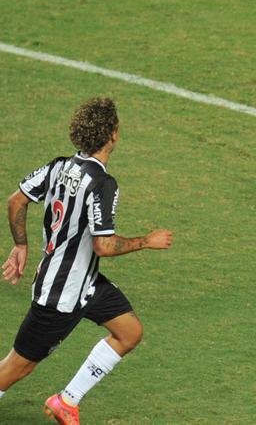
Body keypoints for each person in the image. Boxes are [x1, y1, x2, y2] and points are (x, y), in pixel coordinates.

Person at [0, 97, 173, 425]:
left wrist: (19, 245)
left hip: (87, 284)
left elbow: (16, 200)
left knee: (129, 332)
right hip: (60, 295)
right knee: (16, 368)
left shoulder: (58, 166)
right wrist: (146, 242)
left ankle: (67, 401)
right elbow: (103, 246)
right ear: (114, 134)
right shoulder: (102, 184)